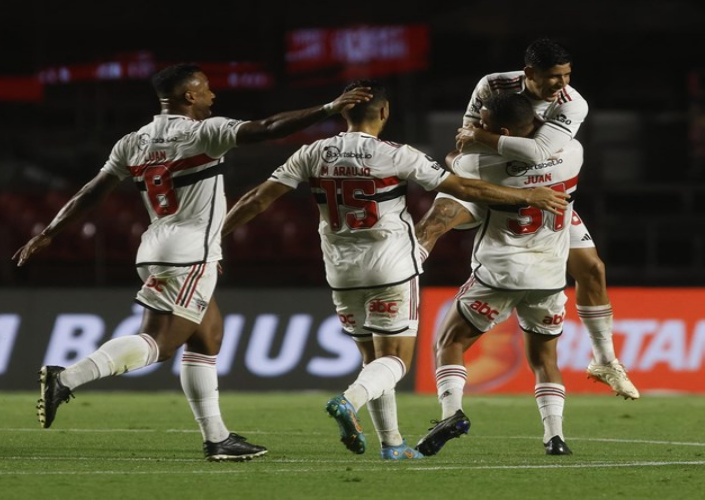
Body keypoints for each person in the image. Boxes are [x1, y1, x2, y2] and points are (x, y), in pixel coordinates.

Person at [13, 63, 372, 462]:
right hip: (188, 253)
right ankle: (67, 378)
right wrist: (329, 107)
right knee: (160, 344)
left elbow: (91, 193)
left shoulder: (132, 141)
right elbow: (268, 128)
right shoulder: (205, 132)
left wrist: (49, 232)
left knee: (208, 336)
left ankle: (217, 438)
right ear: (189, 97)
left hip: (154, 247)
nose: (212, 96)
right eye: (206, 90)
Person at [220, 79, 567, 460]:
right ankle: (349, 401)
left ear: (344, 111)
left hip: (340, 270)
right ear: (384, 113)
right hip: (391, 267)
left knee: (374, 361)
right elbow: (469, 189)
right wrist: (527, 195)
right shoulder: (398, 154)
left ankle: (392, 444)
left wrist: (215, 238)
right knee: (396, 360)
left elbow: (257, 198)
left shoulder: (313, 152)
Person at [455, 38, 639, 400]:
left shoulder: (573, 103)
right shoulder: (492, 85)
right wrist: (478, 142)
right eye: (554, 76)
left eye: (567, 75)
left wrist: (481, 134)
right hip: (490, 176)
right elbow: (464, 144)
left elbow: (536, 151)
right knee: (444, 210)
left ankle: (605, 361)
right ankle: (418, 255)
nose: (562, 84)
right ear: (529, 74)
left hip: (545, 193)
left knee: (592, 269)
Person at [414, 93, 582, 456]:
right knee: (544, 360)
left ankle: (452, 413)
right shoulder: (573, 153)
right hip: (550, 278)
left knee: (449, 342)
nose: (479, 126)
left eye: (485, 123)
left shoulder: (480, 165)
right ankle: (555, 437)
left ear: (502, 131)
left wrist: (469, 140)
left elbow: (453, 169)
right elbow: (533, 152)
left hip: (499, 274)